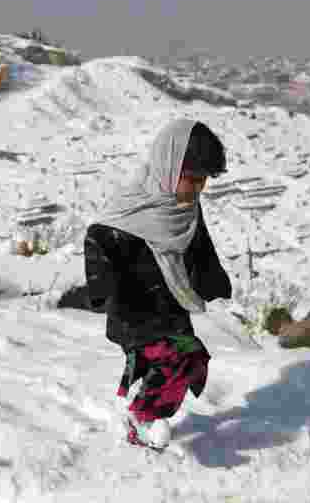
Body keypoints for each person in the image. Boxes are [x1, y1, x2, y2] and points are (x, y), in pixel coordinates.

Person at [84, 118, 232, 450]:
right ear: (168, 165)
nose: (198, 188)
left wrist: (214, 282)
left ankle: (135, 416)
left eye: (204, 180)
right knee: (179, 355)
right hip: (133, 308)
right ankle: (142, 415)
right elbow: (99, 235)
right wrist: (103, 289)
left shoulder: (187, 210)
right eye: (192, 178)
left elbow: (200, 249)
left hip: (170, 305)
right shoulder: (132, 207)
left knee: (175, 361)